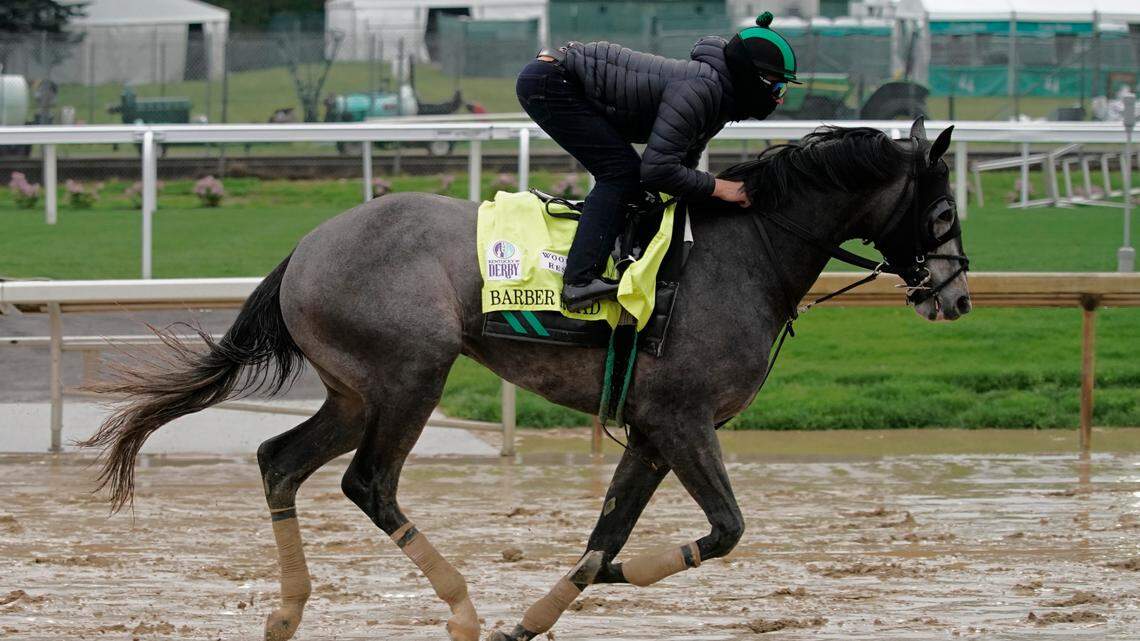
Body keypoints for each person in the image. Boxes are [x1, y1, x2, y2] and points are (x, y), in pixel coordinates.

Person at [516, 11, 799, 311]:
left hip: (560, 75)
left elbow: (681, 166)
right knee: (621, 175)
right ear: (751, 79)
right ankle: (579, 281)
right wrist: (721, 188)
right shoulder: (702, 90)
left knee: (636, 183)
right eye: (778, 88)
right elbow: (658, 169)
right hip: (551, 82)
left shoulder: (719, 97)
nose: (780, 99)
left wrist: (712, 195)